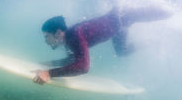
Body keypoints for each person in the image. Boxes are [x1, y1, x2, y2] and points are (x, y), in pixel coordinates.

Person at [33, 6, 171, 85]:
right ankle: (153, 41)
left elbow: (83, 67)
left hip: (124, 15)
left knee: (166, 13)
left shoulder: (74, 36)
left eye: (47, 37)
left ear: (58, 33)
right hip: (118, 24)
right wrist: (49, 64)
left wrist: (50, 73)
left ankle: (173, 11)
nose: (46, 41)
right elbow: (72, 59)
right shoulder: (69, 38)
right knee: (122, 51)